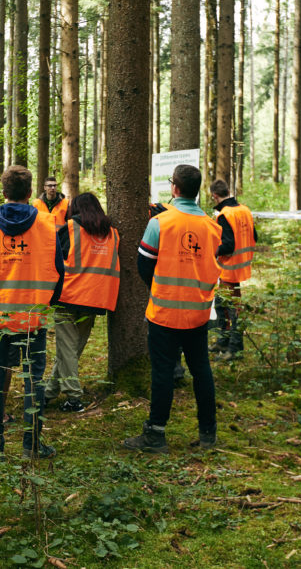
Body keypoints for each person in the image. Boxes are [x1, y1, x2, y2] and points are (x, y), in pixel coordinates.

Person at [0, 165, 64, 458]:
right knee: (34, 378)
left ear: (2, 193)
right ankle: (32, 445)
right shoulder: (47, 223)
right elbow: (59, 270)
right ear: (31, 192)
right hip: (34, 313)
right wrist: (46, 302)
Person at [124, 164, 221, 454]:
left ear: (175, 188)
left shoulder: (160, 223)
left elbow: (144, 264)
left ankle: (155, 434)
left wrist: (159, 288)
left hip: (164, 312)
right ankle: (208, 433)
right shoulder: (211, 226)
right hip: (198, 312)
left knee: (163, 372)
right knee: (201, 369)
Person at [46, 193, 120, 412]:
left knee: (67, 350)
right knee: (71, 350)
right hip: (96, 299)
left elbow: (54, 261)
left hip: (69, 296)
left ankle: (74, 397)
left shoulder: (69, 228)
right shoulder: (113, 233)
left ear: (75, 209)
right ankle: (49, 392)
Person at [208, 179, 256, 359]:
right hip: (241, 266)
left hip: (229, 268)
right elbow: (254, 236)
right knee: (226, 306)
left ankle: (234, 349)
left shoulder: (224, 215)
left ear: (215, 195)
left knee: (228, 307)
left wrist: (212, 251)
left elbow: (228, 245)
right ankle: (224, 342)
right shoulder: (245, 210)